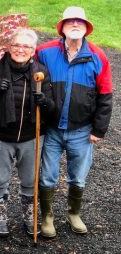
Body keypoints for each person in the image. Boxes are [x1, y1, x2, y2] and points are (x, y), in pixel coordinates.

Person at [36, 6, 113, 237]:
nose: (75, 25)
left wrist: (99, 129)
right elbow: (23, 65)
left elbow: (105, 96)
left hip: (82, 129)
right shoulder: (45, 52)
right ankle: (47, 217)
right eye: (70, 22)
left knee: (78, 175)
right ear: (62, 27)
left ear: (86, 27)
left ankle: (73, 214)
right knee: (47, 174)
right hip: (51, 128)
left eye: (80, 22)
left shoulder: (98, 57)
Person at [0, 28, 54, 237]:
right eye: (16, 45)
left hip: (31, 136)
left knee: (30, 180)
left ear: (33, 50)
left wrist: (44, 101)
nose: (20, 49)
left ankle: (29, 217)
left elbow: (52, 105)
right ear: (9, 47)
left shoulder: (40, 72)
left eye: (26, 46)